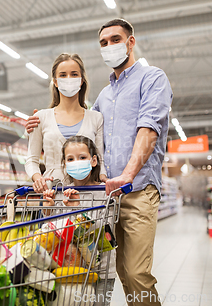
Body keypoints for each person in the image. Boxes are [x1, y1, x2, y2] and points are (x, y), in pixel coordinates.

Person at [26, 19, 173, 306]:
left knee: (136, 272)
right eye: (103, 43)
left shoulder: (152, 78)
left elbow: (149, 130)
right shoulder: (104, 97)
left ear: (131, 42)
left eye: (115, 39)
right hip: (99, 198)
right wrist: (39, 121)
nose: (109, 46)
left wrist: (126, 176)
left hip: (137, 190)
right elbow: (82, 135)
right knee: (108, 270)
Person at [43, 135, 116, 306]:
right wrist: (48, 208)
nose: (76, 162)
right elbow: (55, 233)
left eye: (82, 157)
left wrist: (78, 208)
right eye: (70, 159)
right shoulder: (60, 192)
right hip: (66, 269)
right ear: (65, 164)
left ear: (93, 160)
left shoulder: (105, 193)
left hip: (101, 270)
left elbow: (101, 235)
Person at [25, 53, 107, 193]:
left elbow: (100, 159)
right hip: (52, 193)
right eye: (63, 75)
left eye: (74, 74)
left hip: (89, 195)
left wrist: (104, 181)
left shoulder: (96, 118)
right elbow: (31, 159)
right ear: (55, 82)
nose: (69, 79)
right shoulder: (40, 118)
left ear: (81, 80)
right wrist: (38, 179)